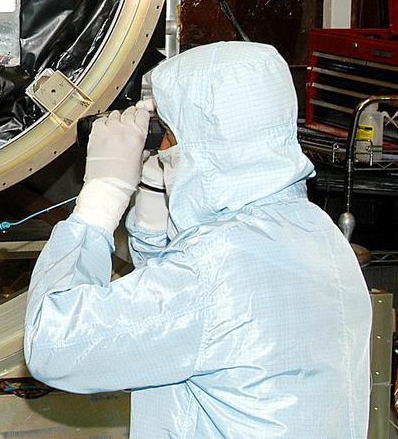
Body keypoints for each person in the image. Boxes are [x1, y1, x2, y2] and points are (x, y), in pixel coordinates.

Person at [24, 42, 371, 437]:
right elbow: (176, 322)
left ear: (207, 142)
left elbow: (53, 344)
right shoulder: (315, 231)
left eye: (169, 133)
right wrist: (155, 205)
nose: (164, 147)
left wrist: (100, 201)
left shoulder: (216, 269)